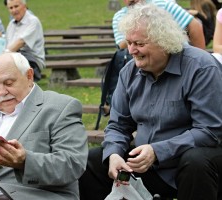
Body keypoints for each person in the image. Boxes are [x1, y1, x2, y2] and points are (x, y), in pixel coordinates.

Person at [79, 3, 222, 200]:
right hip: (145, 162)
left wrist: (158, 151)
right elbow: (118, 125)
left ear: (163, 41)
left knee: (196, 161)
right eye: (129, 43)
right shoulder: (129, 72)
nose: (131, 50)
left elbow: (210, 131)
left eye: (139, 43)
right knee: (93, 161)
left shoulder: (201, 68)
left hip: (189, 162)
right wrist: (114, 154)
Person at [0, 52, 88, 200]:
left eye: (9, 83)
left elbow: (73, 163)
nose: (3, 92)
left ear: (29, 76)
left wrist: (25, 162)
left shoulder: (61, 107)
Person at [0, 0, 45, 86]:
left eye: (16, 6)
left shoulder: (32, 21)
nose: (14, 10)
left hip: (31, 61)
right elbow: (8, 45)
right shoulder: (11, 24)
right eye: (11, 8)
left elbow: (20, 43)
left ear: (24, 6)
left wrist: (1, 59)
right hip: (14, 57)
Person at [112, 0, 206, 50]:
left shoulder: (164, 4)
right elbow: (121, 46)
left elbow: (194, 26)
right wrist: (139, 35)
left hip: (178, 59)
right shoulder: (119, 16)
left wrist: (200, 59)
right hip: (138, 65)